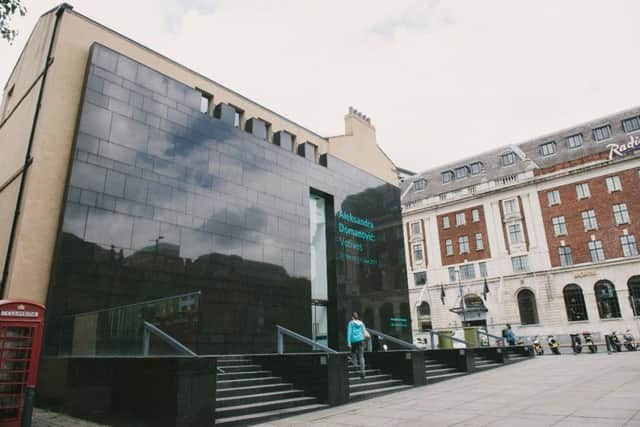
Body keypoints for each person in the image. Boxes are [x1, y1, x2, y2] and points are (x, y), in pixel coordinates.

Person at [347, 312, 367, 378]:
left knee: (353, 354)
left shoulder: (351, 323)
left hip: (353, 341)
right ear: (357, 317)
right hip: (361, 340)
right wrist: (364, 340)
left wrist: (349, 343)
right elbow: (364, 332)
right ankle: (363, 372)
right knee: (361, 356)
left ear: (352, 317)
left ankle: (355, 366)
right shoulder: (361, 323)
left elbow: (349, 333)